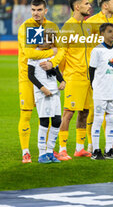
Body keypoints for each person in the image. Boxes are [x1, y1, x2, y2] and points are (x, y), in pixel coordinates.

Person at [40, 0, 93, 160]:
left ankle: (79, 148)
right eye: (86, 3)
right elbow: (62, 52)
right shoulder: (68, 28)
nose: (89, 6)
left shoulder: (87, 27)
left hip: (87, 78)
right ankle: (62, 148)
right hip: (73, 76)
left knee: (84, 112)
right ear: (77, 7)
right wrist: (59, 71)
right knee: (68, 113)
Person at [18, 0, 58, 163]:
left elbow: (61, 52)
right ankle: (25, 151)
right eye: (33, 10)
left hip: (48, 78)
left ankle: (48, 150)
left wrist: (53, 60)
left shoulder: (52, 27)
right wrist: (51, 53)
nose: (36, 13)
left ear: (45, 11)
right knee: (26, 114)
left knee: (48, 115)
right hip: (28, 77)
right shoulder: (25, 27)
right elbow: (30, 54)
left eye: (39, 10)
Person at [86, 0, 113, 153]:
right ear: (105, 5)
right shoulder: (91, 22)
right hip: (95, 69)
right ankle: (91, 144)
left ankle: (109, 144)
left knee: (109, 111)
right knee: (93, 109)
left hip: (111, 70)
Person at [28, 29, 66, 163]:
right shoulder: (34, 54)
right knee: (44, 122)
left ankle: (50, 151)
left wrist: (62, 81)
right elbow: (30, 75)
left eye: (49, 40)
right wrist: (42, 88)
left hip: (54, 92)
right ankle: (41, 153)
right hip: (42, 93)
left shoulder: (52, 56)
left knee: (57, 121)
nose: (46, 41)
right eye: (44, 39)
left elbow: (56, 70)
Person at [89, 23, 113, 160]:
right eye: (110, 31)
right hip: (100, 91)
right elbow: (91, 70)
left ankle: (109, 150)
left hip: (112, 90)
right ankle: (95, 150)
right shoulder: (97, 51)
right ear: (102, 34)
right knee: (97, 119)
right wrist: (94, 86)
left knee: (111, 119)